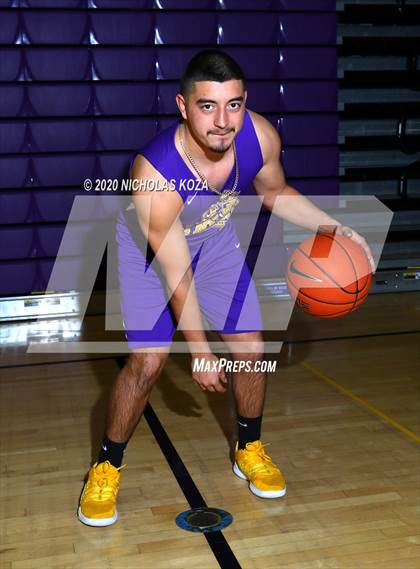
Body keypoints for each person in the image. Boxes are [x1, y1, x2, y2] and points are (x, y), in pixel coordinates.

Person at [77, 50, 375, 527]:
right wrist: (199, 350)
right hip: (149, 256)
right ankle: (107, 465)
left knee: (251, 348)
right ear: (182, 105)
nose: (222, 121)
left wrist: (335, 228)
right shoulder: (152, 174)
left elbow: (276, 194)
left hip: (213, 242)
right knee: (149, 361)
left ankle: (248, 446)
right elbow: (176, 273)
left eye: (233, 104)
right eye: (207, 106)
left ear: (245, 102)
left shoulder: (259, 137)